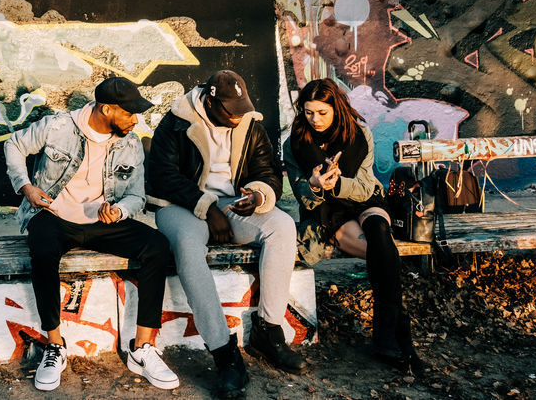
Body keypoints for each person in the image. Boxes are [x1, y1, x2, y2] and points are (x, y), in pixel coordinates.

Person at [5, 75, 180, 392]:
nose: (135, 119)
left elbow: (136, 197)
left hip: (100, 221)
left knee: (157, 245)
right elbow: (14, 144)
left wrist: (119, 210)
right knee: (42, 248)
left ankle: (141, 348)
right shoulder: (58, 126)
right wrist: (26, 186)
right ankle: (55, 346)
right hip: (53, 214)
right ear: (107, 109)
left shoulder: (129, 142)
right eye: (129, 112)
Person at [146, 69, 306, 400]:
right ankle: (224, 352)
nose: (236, 117)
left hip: (232, 206)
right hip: (180, 206)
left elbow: (268, 172)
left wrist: (258, 196)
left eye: (241, 109)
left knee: (282, 226)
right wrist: (207, 206)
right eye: (229, 110)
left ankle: (269, 330)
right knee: (189, 247)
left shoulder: (249, 123)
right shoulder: (176, 121)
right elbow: (162, 177)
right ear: (209, 100)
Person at [283, 78, 424, 373]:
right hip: (328, 212)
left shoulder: (359, 135)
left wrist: (337, 183)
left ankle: (389, 338)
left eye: (322, 112)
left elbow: (363, 186)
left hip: (362, 198)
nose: (315, 119)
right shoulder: (294, 144)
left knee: (380, 234)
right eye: (309, 112)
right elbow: (304, 198)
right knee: (384, 255)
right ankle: (400, 340)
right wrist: (315, 185)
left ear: (337, 108)